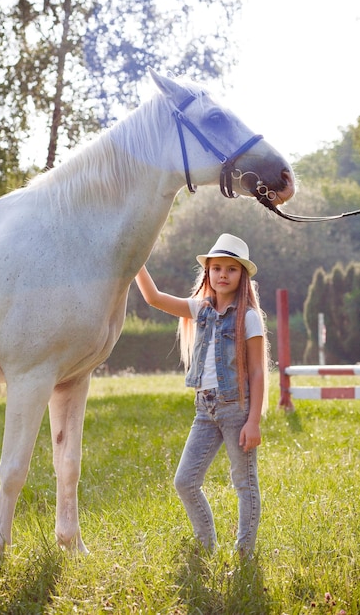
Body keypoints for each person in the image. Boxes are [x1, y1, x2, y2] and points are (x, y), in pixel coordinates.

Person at [135, 233, 268, 558]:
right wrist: (134, 258)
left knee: (244, 483)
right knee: (185, 481)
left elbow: (257, 372)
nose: (223, 274)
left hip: (236, 409)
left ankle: (244, 554)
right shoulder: (200, 309)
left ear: (242, 276)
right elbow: (153, 298)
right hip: (204, 409)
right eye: (216, 268)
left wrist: (253, 421)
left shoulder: (248, 317)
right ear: (207, 272)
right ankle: (206, 544)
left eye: (231, 269)